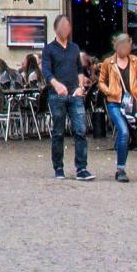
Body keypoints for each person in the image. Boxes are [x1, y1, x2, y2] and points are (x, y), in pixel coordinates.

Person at [95, 32, 137, 182]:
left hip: (130, 102)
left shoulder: (135, 61)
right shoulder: (108, 62)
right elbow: (101, 81)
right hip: (114, 102)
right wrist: (108, 91)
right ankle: (121, 169)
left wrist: (136, 89)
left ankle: (121, 164)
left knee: (128, 135)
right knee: (123, 131)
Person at [43, 16, 91, 181]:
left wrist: (81, 86)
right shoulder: (49, 49)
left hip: (74, 94)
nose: (66, 29)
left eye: (68, 26)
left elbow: (79, 69)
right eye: (63, 26)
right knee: (58, 132)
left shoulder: (74, 48)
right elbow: (47, 72)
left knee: (81, 130)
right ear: (56, 29)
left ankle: (81, 168)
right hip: (57, 96)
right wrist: (56, 85)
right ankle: (58, 167)